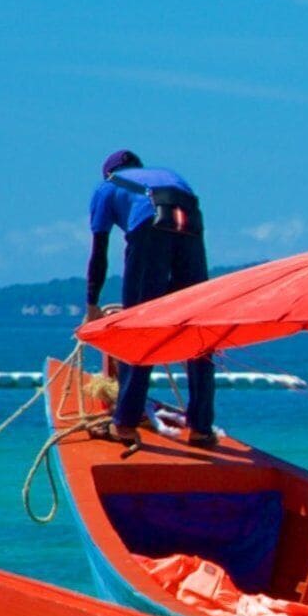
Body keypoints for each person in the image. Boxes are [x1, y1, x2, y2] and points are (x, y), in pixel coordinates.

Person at [84, 150, 217, 446]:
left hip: (149, 225)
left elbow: (99, 252)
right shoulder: (168, 174)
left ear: (109, 171)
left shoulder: (107, 186)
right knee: (197, 327)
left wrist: (92, 302)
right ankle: (202, 428)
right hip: (189, 220)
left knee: (139, 325)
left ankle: (125, 425)